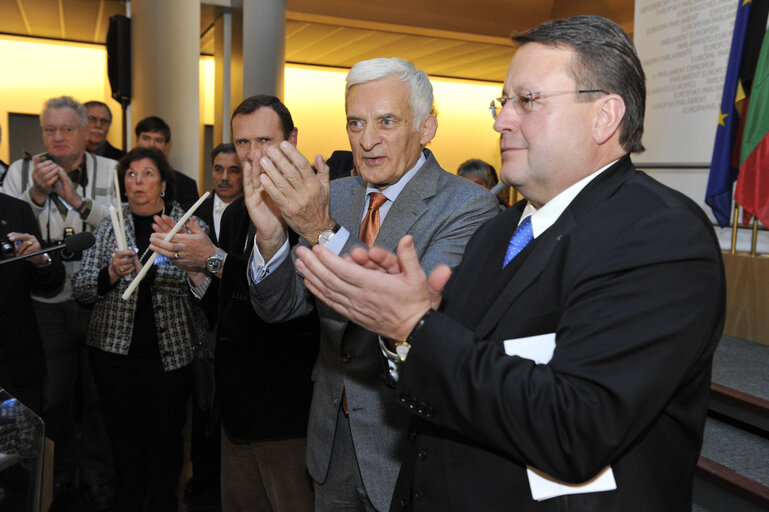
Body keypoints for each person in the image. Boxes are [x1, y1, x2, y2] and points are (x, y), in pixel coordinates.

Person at [291, 15, 726, 512]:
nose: (501, 121)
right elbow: (456, 380)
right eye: (503, 103)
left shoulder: (658, 235)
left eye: (528, 101)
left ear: (605, 116)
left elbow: (576, 428)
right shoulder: (500, 229)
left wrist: (418, 327)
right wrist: (409, 330)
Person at [244, 59, 498, 511]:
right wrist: (270, 237)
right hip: (330, 440)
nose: (367, 139)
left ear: (427, 127)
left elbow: (413, 317)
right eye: (356, 123)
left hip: (404, 440)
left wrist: (321, 230)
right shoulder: (334, 195)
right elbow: (279, 308)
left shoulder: (468, 207)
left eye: (387, 121)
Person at [150, 95, 321, 512]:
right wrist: (195, 268)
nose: (253, 154)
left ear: (292, 139)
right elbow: (229, 306)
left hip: (288, 413)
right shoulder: (238, 211)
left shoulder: (313, 207)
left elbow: (293, 303)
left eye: (265, 140)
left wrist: (214, 259)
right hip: (236, 412)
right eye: (242, 143)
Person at [72, 146, 208, 512]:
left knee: (166, 441)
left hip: (170, 356)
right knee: (122, 439)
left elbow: (206, 291)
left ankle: (163, 503)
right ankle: (127, 502)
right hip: (112, 355)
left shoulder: (188, 225)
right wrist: (113, 273)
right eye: (130, 175)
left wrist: (184, 262)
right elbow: (82, 288)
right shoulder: (109, 225)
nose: (137, 182)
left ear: (164, 183)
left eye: (147, 174)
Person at [2, 95, 116, 510]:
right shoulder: (19, 172)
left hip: (97, 299)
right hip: (43, 302)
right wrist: (35, 193)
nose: (58, 138)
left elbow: (121, 228)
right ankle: (56, 479)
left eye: (67, 129)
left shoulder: (111, 170)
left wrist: (77, 202)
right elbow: (8, 230)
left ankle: (99, 482)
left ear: (88, 132)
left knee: (99, 397)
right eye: (49, 130)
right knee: (52, 400)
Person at [180, 142, 244, 503]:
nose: (224, 177)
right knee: (201, 412)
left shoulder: (257, 213)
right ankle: (200, 481)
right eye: (218, 169)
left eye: (233, 170)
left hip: (243, 327)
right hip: (201, 328)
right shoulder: (195, 212)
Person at [0, 192, 64, 414]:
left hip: (14, 359)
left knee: (23, 443)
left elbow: (51, 281)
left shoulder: (16, 210)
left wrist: (41, 260)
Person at [134, 116, 200, 204]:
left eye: (158, 140)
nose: (151, 144)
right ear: (137, 140)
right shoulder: (121, 178)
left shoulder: (186, 185)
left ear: (166, 146)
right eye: (146, 138)